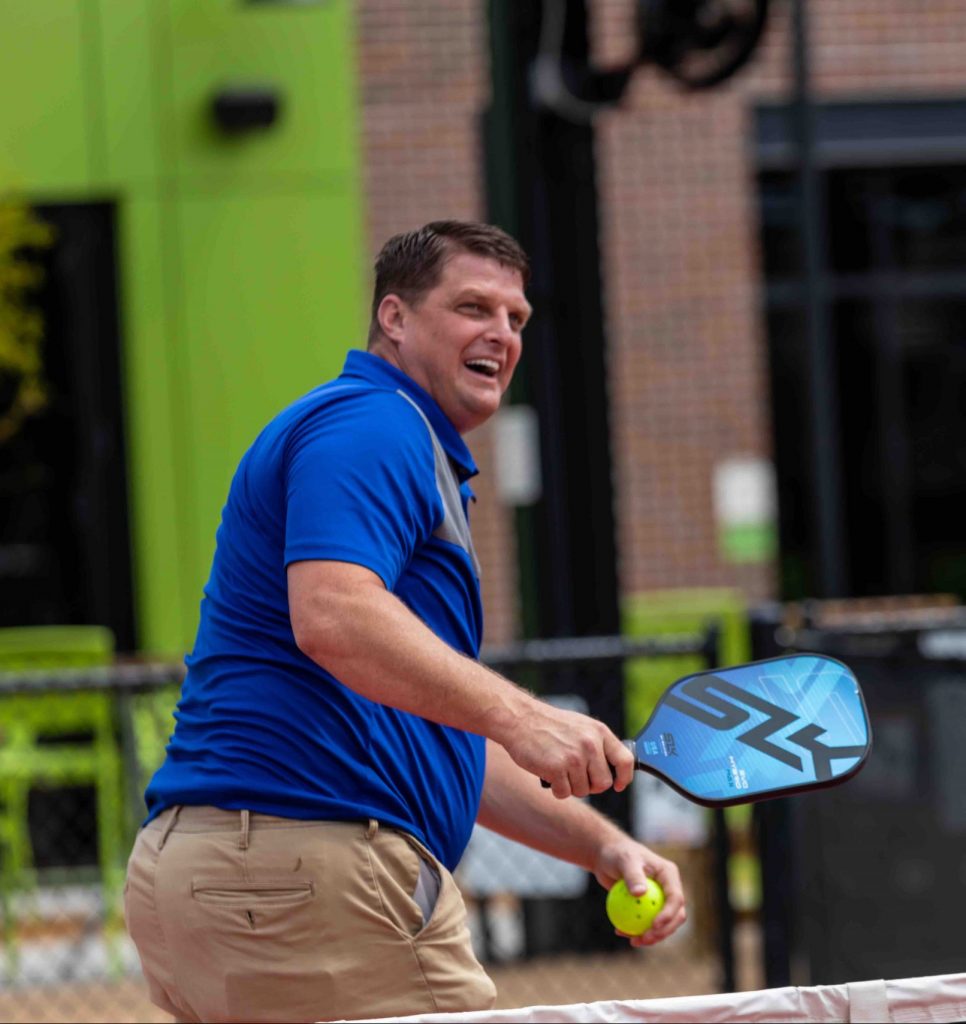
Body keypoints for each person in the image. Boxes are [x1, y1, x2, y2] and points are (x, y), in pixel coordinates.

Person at [124, 220, 687, 1023]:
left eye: (516, 318)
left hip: (221, 874)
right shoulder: (376, 424)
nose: (501, 332)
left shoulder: (390, 441)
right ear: (394, 318)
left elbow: (438, 733)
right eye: (472, 307)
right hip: (307, 871)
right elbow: (335, 615)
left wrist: (602, 845)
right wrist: (525, 715)